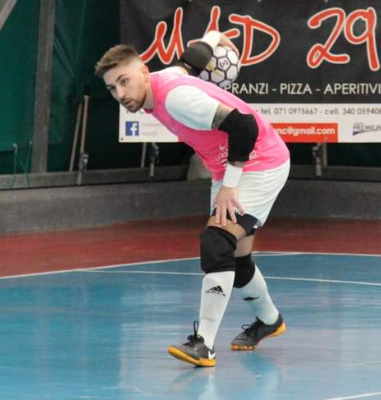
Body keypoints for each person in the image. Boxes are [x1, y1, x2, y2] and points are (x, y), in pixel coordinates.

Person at [95, 31, 290, 367]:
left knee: (217, 242)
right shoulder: (163, 80)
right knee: (237, 257)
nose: (121, 94)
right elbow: (190, 62)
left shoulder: (176, 99)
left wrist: (229, 187)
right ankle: (270, 320)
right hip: (229, 166)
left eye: (124, 82)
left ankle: (204, 344)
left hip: (260, 162)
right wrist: (214, 37)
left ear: (144, 72)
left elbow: (244, 126)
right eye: (113, 88)